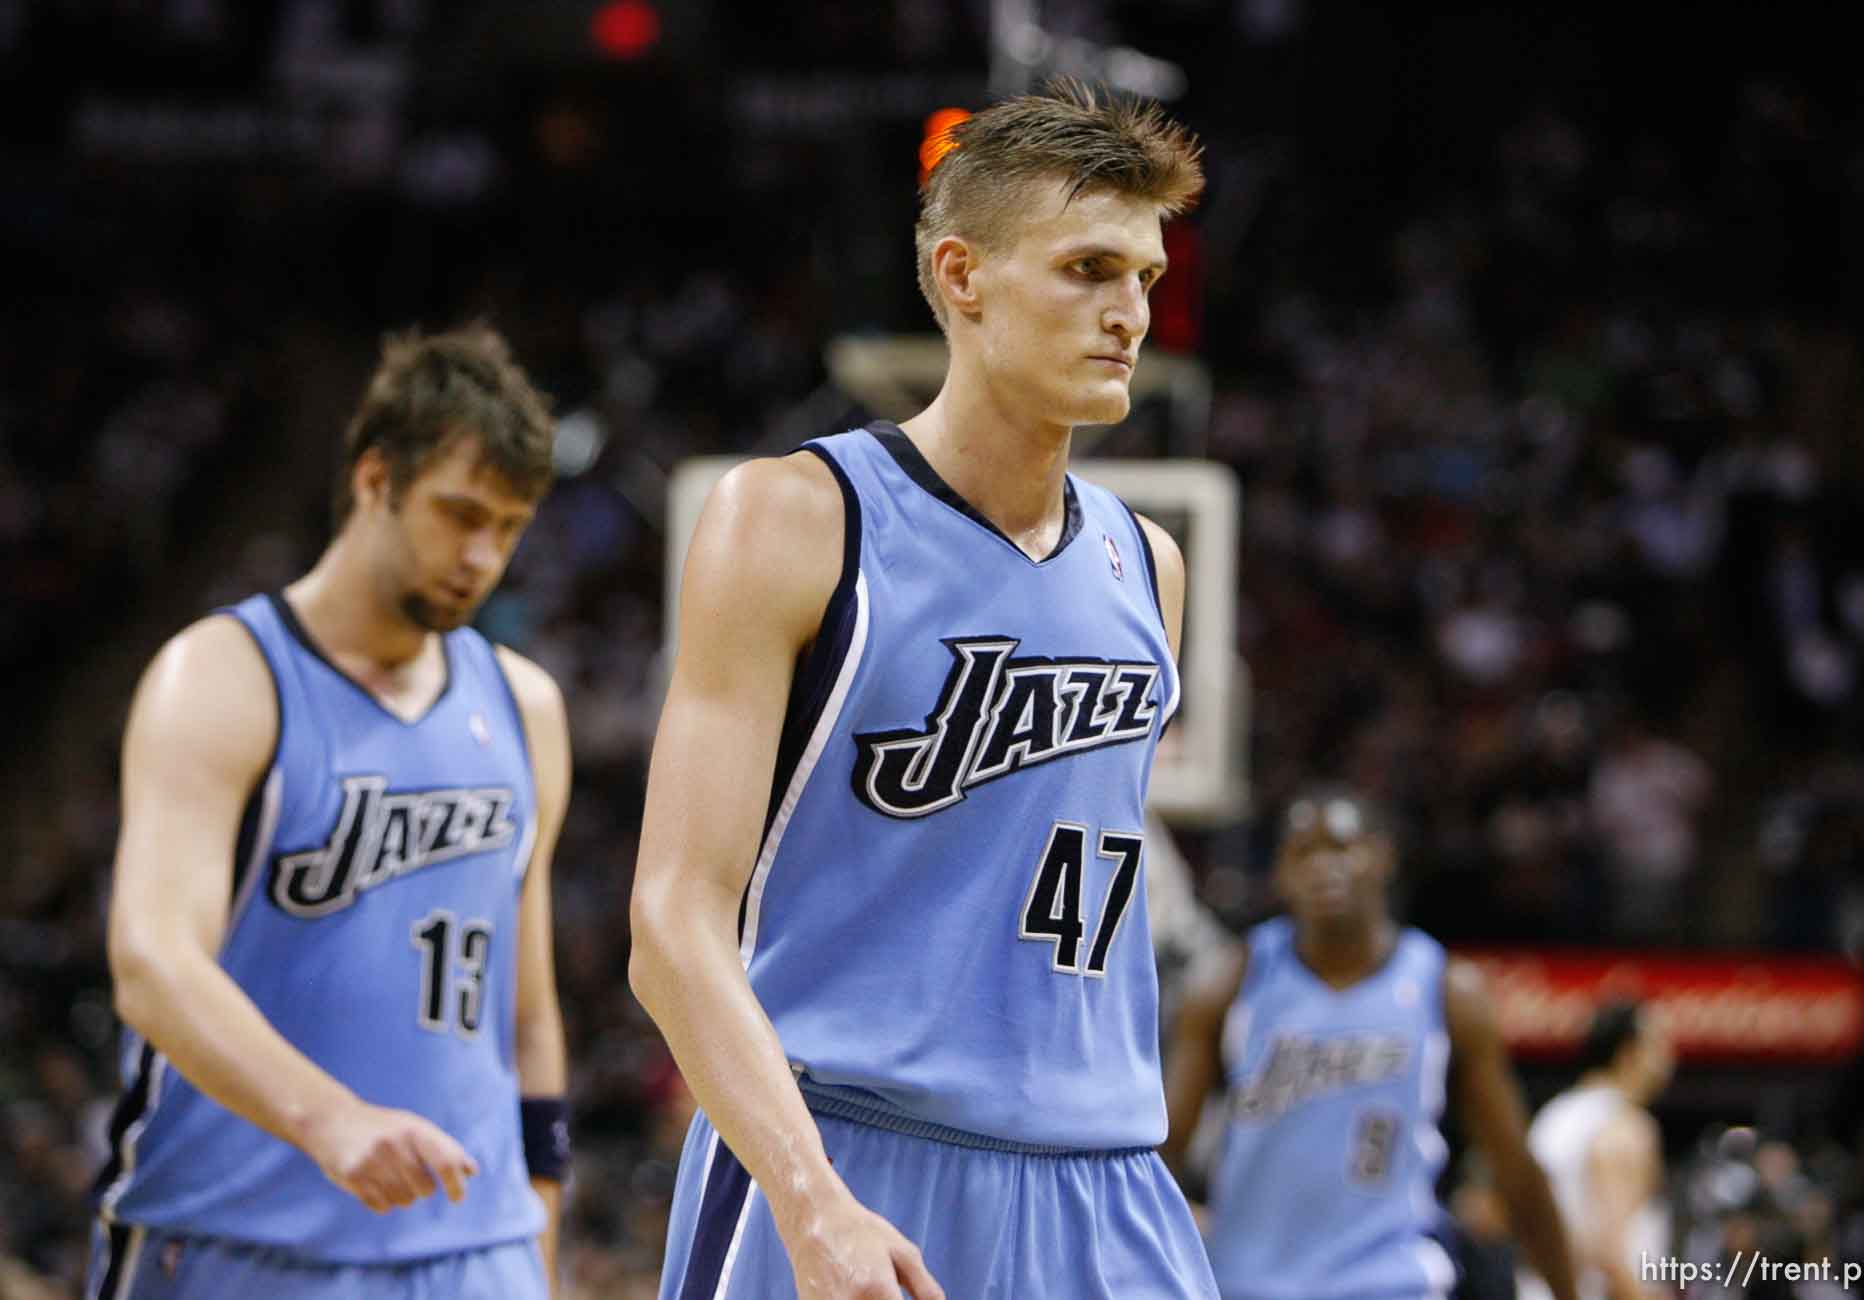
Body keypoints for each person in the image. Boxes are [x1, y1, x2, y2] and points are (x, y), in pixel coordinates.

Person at [629, 80, 1216, 1299]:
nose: (1129, 314)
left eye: (1146, 280)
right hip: (849, 1155)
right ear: (963, 276)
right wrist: (810, 1200)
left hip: (1105, 1172)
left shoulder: (1147, 563)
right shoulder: (793, 520)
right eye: (1090, 270)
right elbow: (673, 922)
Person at [90, 325, 573, 1299]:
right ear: (373, 480)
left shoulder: (525, 706)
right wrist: (330, 1117)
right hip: (235, 1239)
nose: (482, 556)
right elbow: (152, 966)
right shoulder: (222, 678)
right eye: (460, 513)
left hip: (472, 1254)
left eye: (509, 527)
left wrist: (538, 1224)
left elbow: (528, 1011)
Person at [1161, 791, 1580, 1300]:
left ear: (1384, 856)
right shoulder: (1231, 982)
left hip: (1391, 1282)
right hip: (1246, 1284)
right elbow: (1162, 1154)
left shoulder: (1445, 990)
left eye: (1341, 847)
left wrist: (1567, 1290)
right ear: (1279, 876)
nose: (1323, 867)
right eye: (1303, 853)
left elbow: (1516, 1169)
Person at [1524, 1001, 1675, 1300]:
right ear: (1629, 1053)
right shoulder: (1625, 1127)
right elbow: (1612, 1255)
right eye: (1660, 1044)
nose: (1671, 1057)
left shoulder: (1552, 1118)